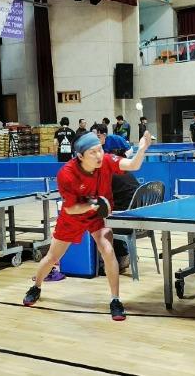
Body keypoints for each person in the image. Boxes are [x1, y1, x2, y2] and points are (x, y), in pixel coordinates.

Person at [22, 130, 153, 321]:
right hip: (73, 217)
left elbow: (133, 164)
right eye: (93, 152)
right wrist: (94, 204)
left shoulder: (106, 161)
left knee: (108, 250)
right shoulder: (66, 174)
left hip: (97, 217)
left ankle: (115, 300)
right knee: (52, 257)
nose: (99, 155)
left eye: (100, 149)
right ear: (80, 156)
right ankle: (36, 287)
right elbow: (70, 208)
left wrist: (142, 148)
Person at [101, 135, 139, 273]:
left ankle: (106, 262)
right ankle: (123, 255)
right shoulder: (125, 170)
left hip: (124, 221)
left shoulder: (110, 172)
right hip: (136, 218)